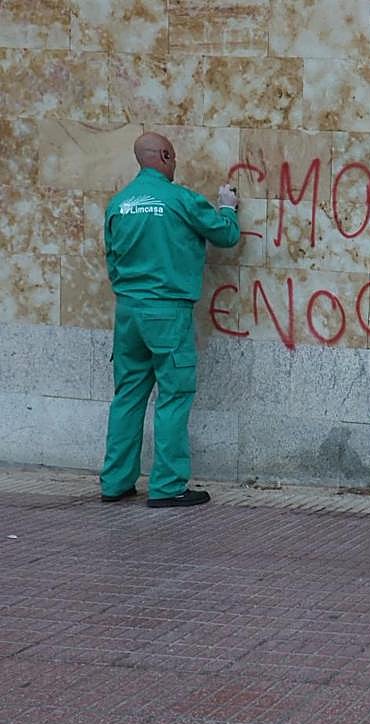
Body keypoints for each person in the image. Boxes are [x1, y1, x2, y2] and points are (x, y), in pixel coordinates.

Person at [99, 132, 240, 508]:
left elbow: (112, 260)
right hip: (167, 312)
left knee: (127, 396)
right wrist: (228, 207)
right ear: (163, 155)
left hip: (128, 312)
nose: (175, 165)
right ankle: (167, 486)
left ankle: (115, 482)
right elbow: (225, 235)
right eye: (173, 158)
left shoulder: (118, 204)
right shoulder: (180, 200)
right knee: (174, 397)